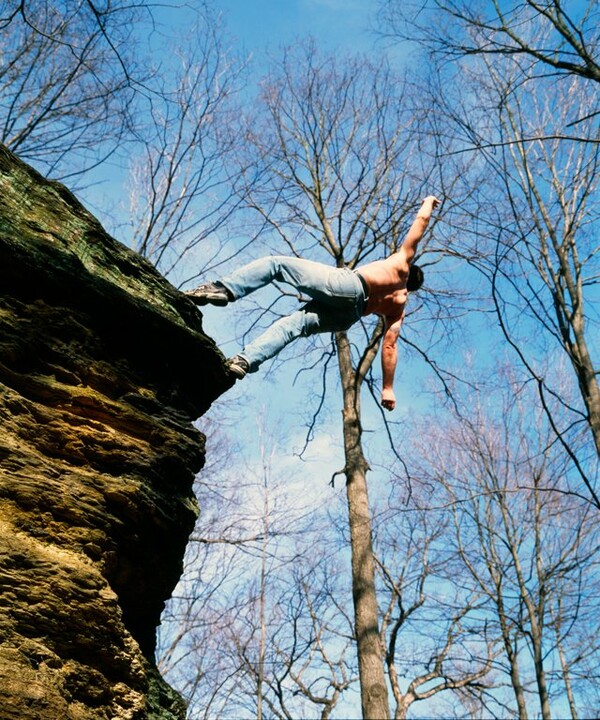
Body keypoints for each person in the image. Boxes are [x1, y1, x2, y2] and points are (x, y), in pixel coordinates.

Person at [186, 195, 440, 411]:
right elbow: (389, 348)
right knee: (293, 326)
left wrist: (428, 202)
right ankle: (244, 361)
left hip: (350, 286)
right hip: (347, 318)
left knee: (277, 265)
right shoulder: (398, 309)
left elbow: (421, 222)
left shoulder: (402, 263)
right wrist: (388, 389)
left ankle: (224, 289)